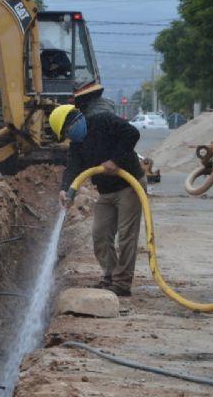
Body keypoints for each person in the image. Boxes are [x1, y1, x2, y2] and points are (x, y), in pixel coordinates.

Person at [49, 104, 146, 297]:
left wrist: (115, 160)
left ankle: (122, 283)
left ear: (74, 120)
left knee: (126, 235)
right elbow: (73, 168)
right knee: (100, 234)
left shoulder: (103, 121)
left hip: (129, 186)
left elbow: (132, 133)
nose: (69, 136)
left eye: (67, 131)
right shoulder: (77, 145)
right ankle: (110, 276)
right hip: (106, 192)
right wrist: (65, 189)